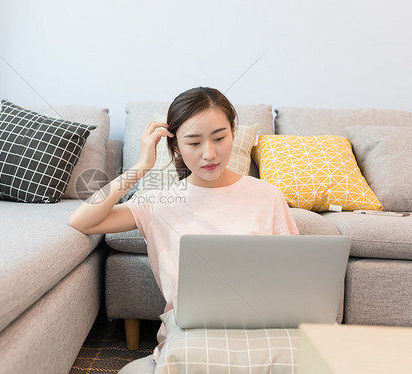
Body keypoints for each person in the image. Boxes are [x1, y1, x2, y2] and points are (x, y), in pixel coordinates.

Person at [69, 87, 299, 367]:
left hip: (264, 321)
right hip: (193, 330)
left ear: (233, 134)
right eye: (194, 143)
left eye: (219, 138)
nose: (209, 154)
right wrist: (141, 167)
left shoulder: (267, 195)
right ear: (176, 146)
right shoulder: (158, 202)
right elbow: (82, 220)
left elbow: (292, 276)